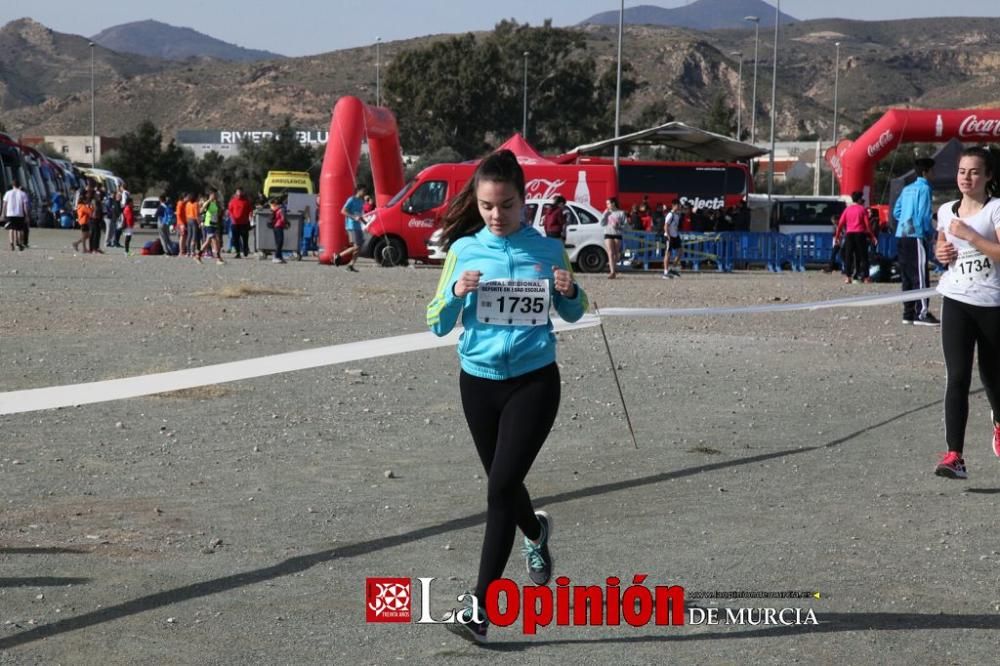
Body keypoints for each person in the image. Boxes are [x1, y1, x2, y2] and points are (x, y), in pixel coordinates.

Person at [426, 150, 588, 644]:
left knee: (498, 489)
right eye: (488, 206)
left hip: (534, 381)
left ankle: (479, 609)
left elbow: (575, 312)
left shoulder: (547, 249)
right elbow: (435, 322)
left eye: (508, 205)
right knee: (504, 484)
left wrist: (570, 289)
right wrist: (455, 290)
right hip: (477, 382)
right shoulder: (464, 250)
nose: (497, 216)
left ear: (525, 202)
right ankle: (535, 534)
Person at [931, 146, 1000, 479]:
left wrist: (971, 235)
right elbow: (943, 247)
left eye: (974, 172)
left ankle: (999, 422)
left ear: (988, 176)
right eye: (962, 171)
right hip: (956, 298)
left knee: (992, 377)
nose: (966, 177)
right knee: (957, 378)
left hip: (993, 304)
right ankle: (954, 456)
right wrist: (941, 250)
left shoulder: (996, 210)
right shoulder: (946, 211)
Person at [894, 157, 940, 325]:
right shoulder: (925, 188)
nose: (934, 174)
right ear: (926, 172)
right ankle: (922, 313)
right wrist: (930, 233)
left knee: (906, 276)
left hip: (902, 234)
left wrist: (905, 222)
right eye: (933, 170)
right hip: (916, 235)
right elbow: (923, 214)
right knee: (920, 276)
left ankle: (908, 313)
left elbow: (896, 211)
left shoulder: (907, 189)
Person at [835, 191, 878, 284]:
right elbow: (867, 225)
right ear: (859, 199)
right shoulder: (862, 209)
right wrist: (873, 236)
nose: (863, 200)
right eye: (862, 199)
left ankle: (848, 277)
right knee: (863, 256)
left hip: (849, 234)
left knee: (848, 256)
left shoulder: (847, 209)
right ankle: (866, 277)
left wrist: (837, 236)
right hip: (860, 234)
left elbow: (840, 224)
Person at [335, 185, 366, 271]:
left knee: (359, 247)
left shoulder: (361, 201)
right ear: (358, 191)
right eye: (363, 191)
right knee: (356, 246)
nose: (364, 193)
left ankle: (351, 265)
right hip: (351, 225)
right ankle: (339, 255)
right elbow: (343, 211)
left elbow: (359, 215)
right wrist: (353, 217)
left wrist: (365, 223)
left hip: (358, 226)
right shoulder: (351, 199)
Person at [198, 189, 224, 264]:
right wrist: (208, 201)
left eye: (215, 195)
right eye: (213, 194)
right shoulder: (207, 202)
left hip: (214, 224)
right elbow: (201, 210)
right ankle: (218, 258)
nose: (215, 196)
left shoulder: (216, 203)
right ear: (210, 195)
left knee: (208, 242)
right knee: (214, 240)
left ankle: (198, 256)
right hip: (208, 224)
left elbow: (218, 213)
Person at [2, 179, 30, 251]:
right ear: (19, 185)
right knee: (19, 229)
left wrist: (3, 214)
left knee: (11, 229)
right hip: (19, 214)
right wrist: (26, 215)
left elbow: (4, 204)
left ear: (12, 185)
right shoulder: (23, 194)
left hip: (10, 213)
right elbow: (25, 206)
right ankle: (19, 243)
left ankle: (11, 244)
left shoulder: (8, 193)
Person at [601, 197, 626, 279]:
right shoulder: (606, 212)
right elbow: (602, 223)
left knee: (616, 254)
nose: (607, 205)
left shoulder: (621, 213)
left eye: (608, 203)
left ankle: (614, 268)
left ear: (613, 203)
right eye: (606, 204)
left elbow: (625, 225)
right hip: (608, 233)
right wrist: (605, 214)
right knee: (610, 252)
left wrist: (619, 225)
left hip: (617, 234)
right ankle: (612, 272)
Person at [228, 187, 253, 258]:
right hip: (235, 223)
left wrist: (250, 216)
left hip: (244, 223)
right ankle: (238, 252)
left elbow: (250, 210)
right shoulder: (232, 201)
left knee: (245, 238)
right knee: (235, 238)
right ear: (236, 192)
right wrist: (232, 218)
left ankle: (245, 249)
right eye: (238, 192)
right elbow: (230, 211)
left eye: (241, 192)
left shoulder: (246, 201)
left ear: (243, 192)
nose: (239, 193)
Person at [662, 199, 683, 279]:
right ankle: (665, 272)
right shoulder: (670, 214)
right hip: (669, 236)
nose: (679, 206)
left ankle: (672, 268)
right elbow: (666, 225)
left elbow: (675, 226)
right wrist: (668, 235)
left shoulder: (677, 215)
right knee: (668, 253)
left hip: (675, 235)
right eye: (678, 205)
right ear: (674, 205)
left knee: (680, 251)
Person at [269, 198, 287, 264]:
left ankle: (280, 257)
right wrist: (286, 223)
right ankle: (276, 256)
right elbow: (283, 218)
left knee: (277, 242)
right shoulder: (282, 209)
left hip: (275, 226)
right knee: (280, 242)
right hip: (279, 226)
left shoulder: (274, 208)